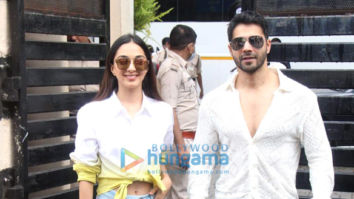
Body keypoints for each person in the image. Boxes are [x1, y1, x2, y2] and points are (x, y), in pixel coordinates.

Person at [188, 11, 334, 199]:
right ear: (230, 49)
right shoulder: (213, 102)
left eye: (255, 41)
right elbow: (201, 163)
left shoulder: (301, 98)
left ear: (268, 45)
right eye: (239, 43)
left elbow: (320, 158)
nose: (246, 48)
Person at [70, 34, 173, 199]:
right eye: (123, 61)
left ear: (147, 67)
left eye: (139, 62)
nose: (131, 68)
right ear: (112, 68)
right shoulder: (92, 113)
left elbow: (161, 155)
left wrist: (165, 178)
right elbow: (86, 174)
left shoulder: (163, 112)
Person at [156, 25, 199, 199]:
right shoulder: (171, 69)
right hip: (179, 140)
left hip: (185, 138)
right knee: (180, 192)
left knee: (183, 190)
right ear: (190, 46)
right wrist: (181, 148)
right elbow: (169, 108)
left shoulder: (180, 66)